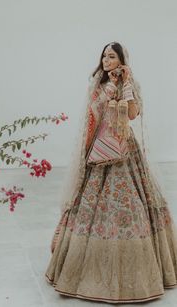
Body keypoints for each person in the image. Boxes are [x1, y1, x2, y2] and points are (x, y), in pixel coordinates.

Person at [45, 42, 177, 304]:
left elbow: (132, 114)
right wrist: (109, 87)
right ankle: (87, 272)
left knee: (132, 207)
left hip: (125, 149)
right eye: (104, 56)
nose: (106, 60)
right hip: (101, 151)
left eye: (112, 56)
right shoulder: (97, 84)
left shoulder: (130, 83)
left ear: (121, 60)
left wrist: (126, 85)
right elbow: (93, 114)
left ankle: (140, 272)